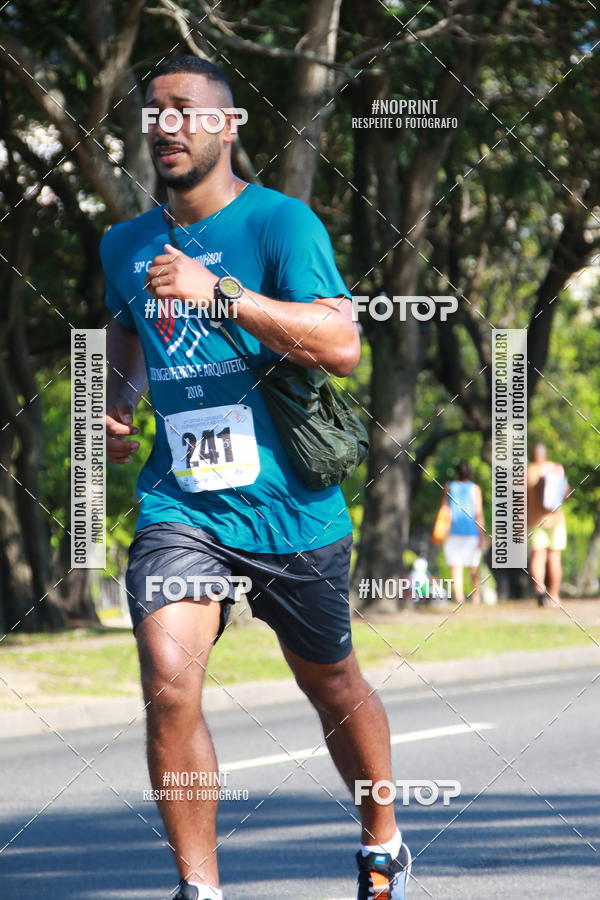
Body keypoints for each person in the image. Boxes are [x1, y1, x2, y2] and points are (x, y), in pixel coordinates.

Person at [103, 56, 411, 900]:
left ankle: (382, 836)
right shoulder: (124, 243)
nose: (166, 126)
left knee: (332, 682)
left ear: (228, 125)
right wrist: (122, 403)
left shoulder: (283, 225)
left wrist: (220, 291)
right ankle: (199, 889)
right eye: (153, 113)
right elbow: (126, 328)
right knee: (168, 681)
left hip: (292, 510)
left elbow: (341, 344)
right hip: (182, 505)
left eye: (185, 111)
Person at [527, 442, 569, 607]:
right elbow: (566, 492)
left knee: (538, 557)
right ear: (545, 454)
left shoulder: (528, 471)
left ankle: (539, 590)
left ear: (533, 455)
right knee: (555, 558)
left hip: (537, 521)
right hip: (556, 520)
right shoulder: (556, 468)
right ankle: (554, 595)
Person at [438, 461, 486, 604]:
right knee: (473, 567)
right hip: (471, 532)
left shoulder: (449, 486)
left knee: (456, 566)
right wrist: (482, 534)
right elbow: (478, 512)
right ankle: (476, 597)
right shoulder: (475, 488)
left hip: (452, 531)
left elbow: (444, 509)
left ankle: (459, 597)